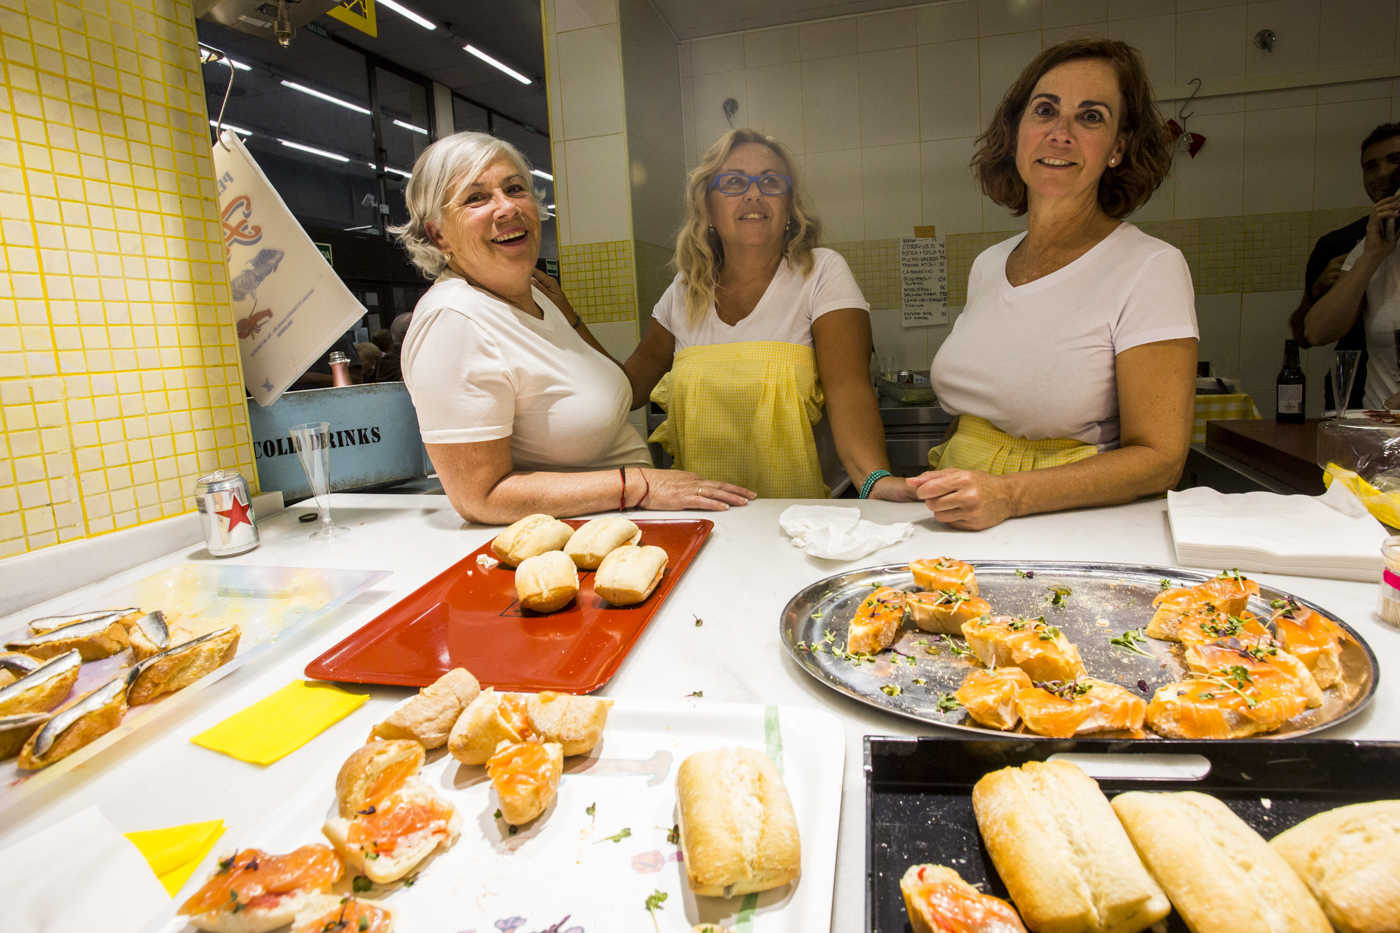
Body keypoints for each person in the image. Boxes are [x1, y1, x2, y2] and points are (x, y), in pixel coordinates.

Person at [391, 131, 754, 524]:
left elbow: (622, 388)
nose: (507, 208)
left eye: (515, 189)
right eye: (476, 198)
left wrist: (570, 314)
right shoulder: (454, 320)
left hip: (621, 528)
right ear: (437, 234)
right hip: (567, 551)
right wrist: (640, 485)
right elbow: (480, 497)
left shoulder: (537, 295)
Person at [912, 38, 1198, 530]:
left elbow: (1161, 458)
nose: (1060, 133)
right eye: (1045, 110)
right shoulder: (988, 264)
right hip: (962, 518)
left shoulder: (1150, 266)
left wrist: (1008, 494)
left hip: (1071, 525)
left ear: (1118, 147)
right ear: (1018, 131)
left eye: (1091, 117)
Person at [623, 128, 911, 501]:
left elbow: (849, 391)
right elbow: (625, 390)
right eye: (734, 182)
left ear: (789, 207)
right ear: (708, 208)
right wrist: (564, 324)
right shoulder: (684, 290)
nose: (754, 193)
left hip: (806, 517)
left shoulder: (821, 273)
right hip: (709, 517)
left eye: (771, 182)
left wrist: (874, 481)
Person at [1298, 123, 1400, 409]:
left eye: (1395, 160)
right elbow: (1316, 332)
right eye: (1371, 166)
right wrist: (1371, 256)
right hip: (1380, 432)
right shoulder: (1366, 247)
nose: (1383, 173)